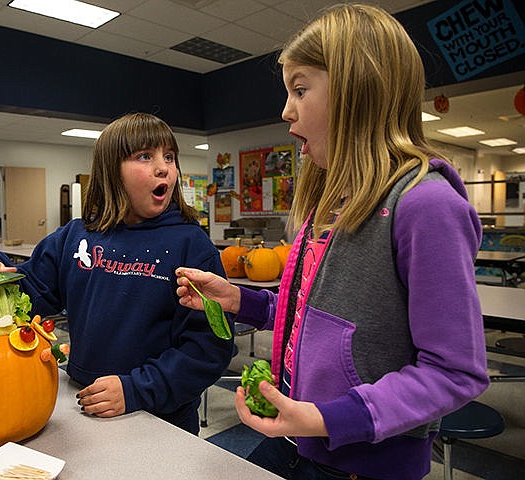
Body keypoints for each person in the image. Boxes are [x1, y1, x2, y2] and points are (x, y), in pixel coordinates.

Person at [176, 4, 489, 479]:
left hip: (365, 463)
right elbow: (312, 311)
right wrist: (241, 300)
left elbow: (455, 371)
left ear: (357, 91)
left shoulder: (427, 205)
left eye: (301, 89)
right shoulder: (329, 203)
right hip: (299, 443)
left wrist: (327, 418)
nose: (286, 110)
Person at [0, 112, 234, 434]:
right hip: (83, 402)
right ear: (112, 172)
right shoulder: (76, 236)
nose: (163, 166)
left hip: (162, 418)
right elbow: (28, 291)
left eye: (169, 156)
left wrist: (137, 389)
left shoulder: (191, 245)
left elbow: (208, 347)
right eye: (144, 156)